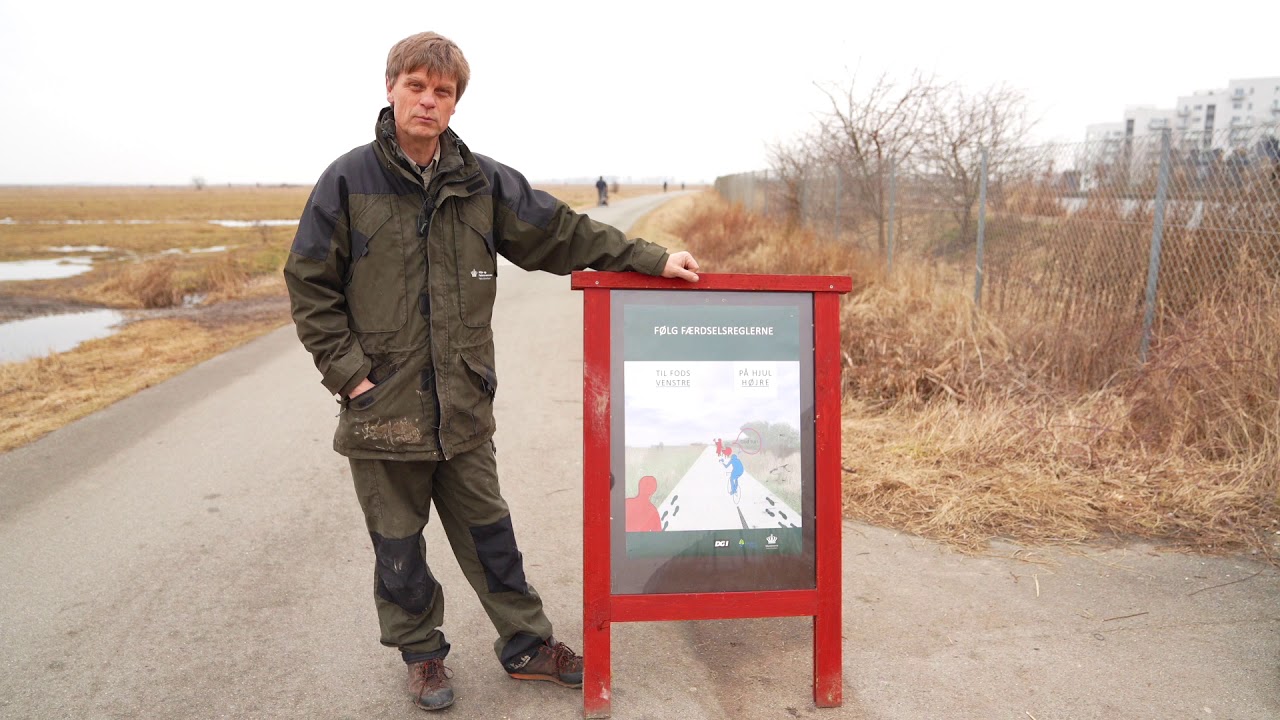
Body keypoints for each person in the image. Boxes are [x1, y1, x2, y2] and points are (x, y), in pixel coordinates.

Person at [283, 31, 700, 713]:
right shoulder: (348, 181)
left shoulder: (482, 183)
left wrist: (649, 258)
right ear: (390, 89)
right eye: (415, 86)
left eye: (441, 91)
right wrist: (351, 375)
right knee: (398, 549)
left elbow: (564, 233)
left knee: (491, 535)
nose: (428, 100)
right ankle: (421, 657)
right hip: (381, 411)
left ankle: (526, 646)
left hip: (464, 407)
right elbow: (309, 284)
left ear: (454, 102)